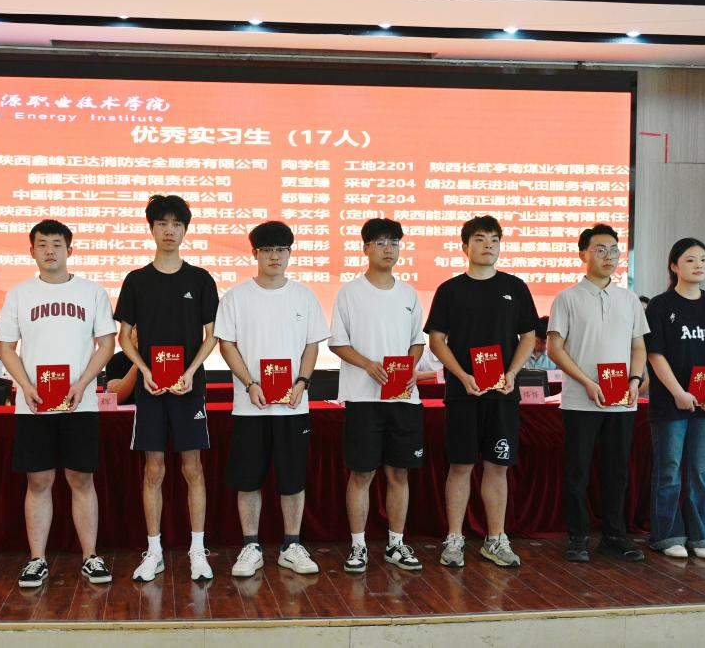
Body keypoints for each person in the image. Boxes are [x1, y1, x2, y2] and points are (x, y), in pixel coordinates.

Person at [0, 219, 117, 587]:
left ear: (70, 249)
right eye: (42, 244)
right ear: (32, 250)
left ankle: (91, 557)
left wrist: (83, 383)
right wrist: (25, 385)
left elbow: (107, 344)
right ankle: (37, 559)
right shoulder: (19, 294)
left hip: (79, 402)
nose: (50, 250)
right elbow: (6, 347)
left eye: (57, 244)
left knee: (81, 478)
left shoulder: (91, 292)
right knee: (39, 480)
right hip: (34, 403)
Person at [115, 195, 220, 582]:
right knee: (154, 469)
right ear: (152, 229)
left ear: (185, 230)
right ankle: (154, 550)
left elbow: (212, 336)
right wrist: (144, 370)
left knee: (193, 467)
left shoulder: (200, 279)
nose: (169, 230)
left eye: (177, 224)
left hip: (189, 387)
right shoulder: (136, 280)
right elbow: (124, 337)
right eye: (162, 223)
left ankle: (197, 550)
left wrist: (191, 371)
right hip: (151, 389)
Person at [216, 221, 329, 578]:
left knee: (292, 478)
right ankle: (251, 546)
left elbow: (312, 345)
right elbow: (226, 344)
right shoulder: (236, 297)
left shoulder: (304, 297)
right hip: (250, 405)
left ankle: (291, 545)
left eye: (281, 249)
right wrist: (249, 382)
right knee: (248, 479)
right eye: (267, 250)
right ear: (255, 253)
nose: (275, 256)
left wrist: (303, 381)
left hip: (293, 405)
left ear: (289, 253)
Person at [426, 216, 538, 569]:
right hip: (463, 393)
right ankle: (454, 538)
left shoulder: (515, 287)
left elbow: (529, 337)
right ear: (465, 246)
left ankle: (496, 539)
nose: (488, 244)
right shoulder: (450, 290)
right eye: (480, 238)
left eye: (494, 239)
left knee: (498, 466)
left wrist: (513, 372)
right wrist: (461, 375)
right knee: (460, 465)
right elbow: (436, 339)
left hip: (502, 393)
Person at [547, 223, 649, 563]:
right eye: (600, 250)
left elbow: (638, 346)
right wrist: (586, 382)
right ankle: (578, 537)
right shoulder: (568, 298)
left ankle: (614, 536)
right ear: (583, 254)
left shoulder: (629, 299)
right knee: (578, 472)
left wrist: (635, 380)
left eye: (614, 250)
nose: (609, 256)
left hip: (621, 400)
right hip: (580, 400)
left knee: (617, 471)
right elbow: (555, 348)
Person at [330, 218, 426, 573]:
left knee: (399, 473)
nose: (389, 249)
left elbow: (417, 341)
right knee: (362, 474)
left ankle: (396, 543)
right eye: (381, 242)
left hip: (402, 398)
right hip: (363, 398)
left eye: (394, 243)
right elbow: (338, 342)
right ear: (366, 248)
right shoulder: (350, 293)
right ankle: (358, 546)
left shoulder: (409, 294)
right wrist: (368, 365)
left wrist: (410, 366)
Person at [644, 238, 705, 560]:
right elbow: (655, 355)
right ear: (674, 266)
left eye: (703, 259)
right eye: (689, 260)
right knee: (669, 469)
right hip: (672, 403)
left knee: (700, 471)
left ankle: (701, 536)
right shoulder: (660, 305)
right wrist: (678, 393)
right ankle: (667, 535)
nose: (698, 265)